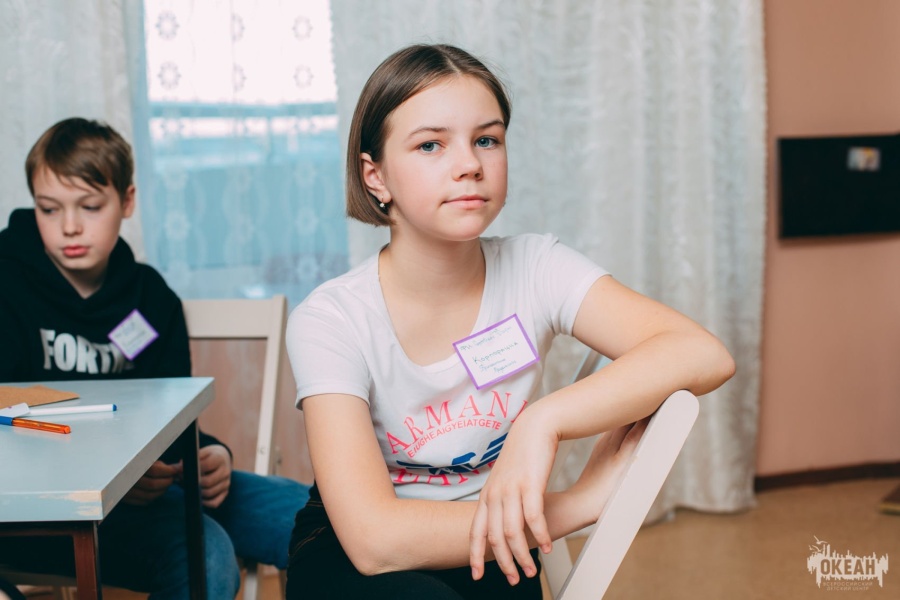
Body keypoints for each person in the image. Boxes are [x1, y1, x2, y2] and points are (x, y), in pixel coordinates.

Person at [283, 43, 736, 600]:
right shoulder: (330, 318)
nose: (470, 164)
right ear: (375, 177)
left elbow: (703, 353)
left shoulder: (537, 267)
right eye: (430, 144)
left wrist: (542, 421)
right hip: (354, 556)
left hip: (496, 547)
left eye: (487, 139)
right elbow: (375, 541)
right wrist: (575, 506)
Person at [0, 117, 310, 599]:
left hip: (151, 490)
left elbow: (169, 418)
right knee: (205, 554)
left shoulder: (151, 298)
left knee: (312, 512)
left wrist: (211, 455)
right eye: (49, 208)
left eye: (90, 206)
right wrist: (114, 469)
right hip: (48, 509)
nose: (69, 226)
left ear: (127, 201)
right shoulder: (8, 285)